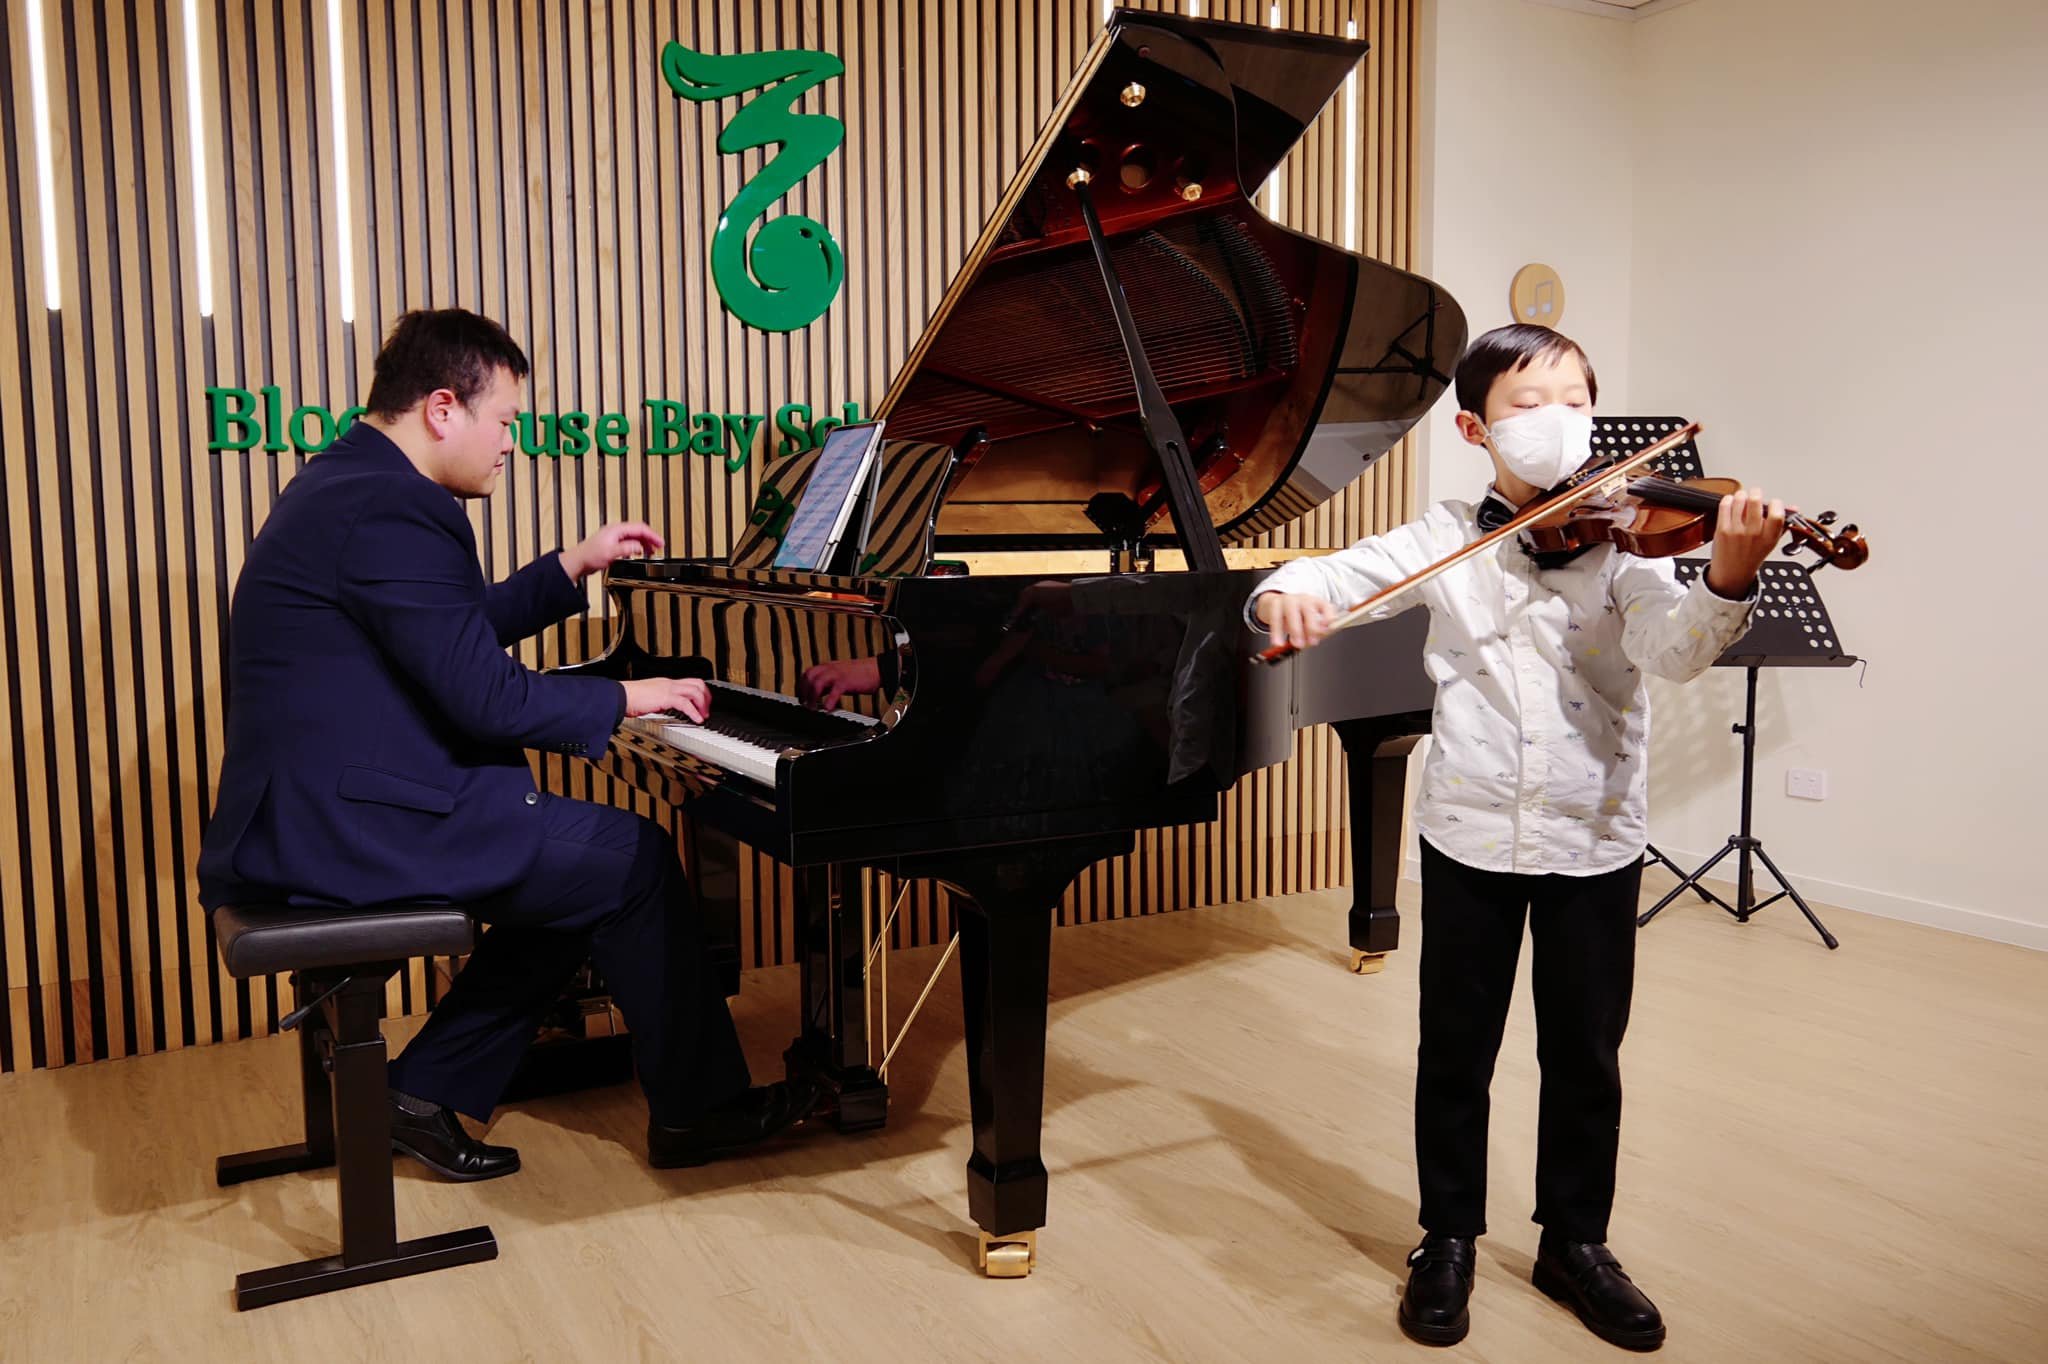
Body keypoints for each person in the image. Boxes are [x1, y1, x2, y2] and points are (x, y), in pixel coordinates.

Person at [1249, 324, 1784, 1352]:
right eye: (1527, 405)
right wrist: (1283, 594)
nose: (1558, 422)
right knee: (1455, 1050)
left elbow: (1673, 657)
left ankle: (1572, 1243)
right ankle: (1443, 1235)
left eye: (1574, 400)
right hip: (1467, 834)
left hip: (1591, 839)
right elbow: (1331, 572)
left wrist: (1724, 577)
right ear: (1472, 426)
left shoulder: (1630, 550)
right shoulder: (1445, 537)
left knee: (1583, 1052)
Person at [198, 308, 808, 1179]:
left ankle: (420, 1089)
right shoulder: (394, 508)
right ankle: (701, 1113)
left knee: (577, 870)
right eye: (507, 421)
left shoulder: (350, 480)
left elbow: (441, 636)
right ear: (443, 408)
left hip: (314, 808)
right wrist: (631, 696)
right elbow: (481, 695)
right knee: (627, 858)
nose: (512, 444)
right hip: (340, 827)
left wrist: (569, 565)